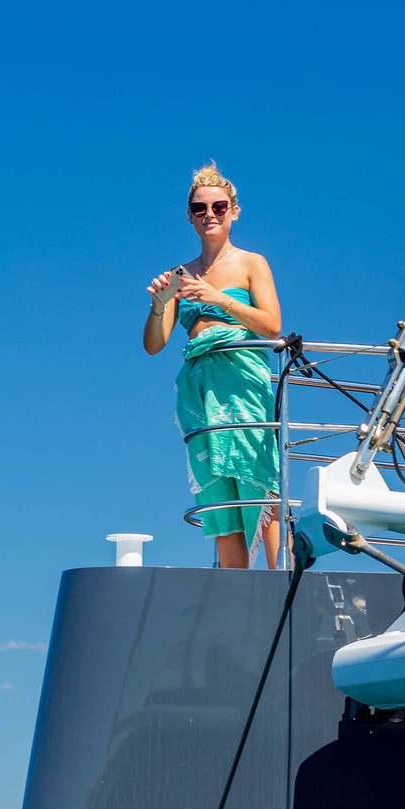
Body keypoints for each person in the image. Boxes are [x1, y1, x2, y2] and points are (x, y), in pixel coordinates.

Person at [144, 162, 283, 569]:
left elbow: (272, 325)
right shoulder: (179, 275)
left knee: (258, 480)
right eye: (200, 208)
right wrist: (158, 304)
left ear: (233, 211)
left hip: (240, 377)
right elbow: (154, 345)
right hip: (198, 385)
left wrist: (218, 298)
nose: (210, 215)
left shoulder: (251, 263)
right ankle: (236, 595)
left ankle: (282, 585)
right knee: (218, 496)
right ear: (189, 216)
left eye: (218, 207)